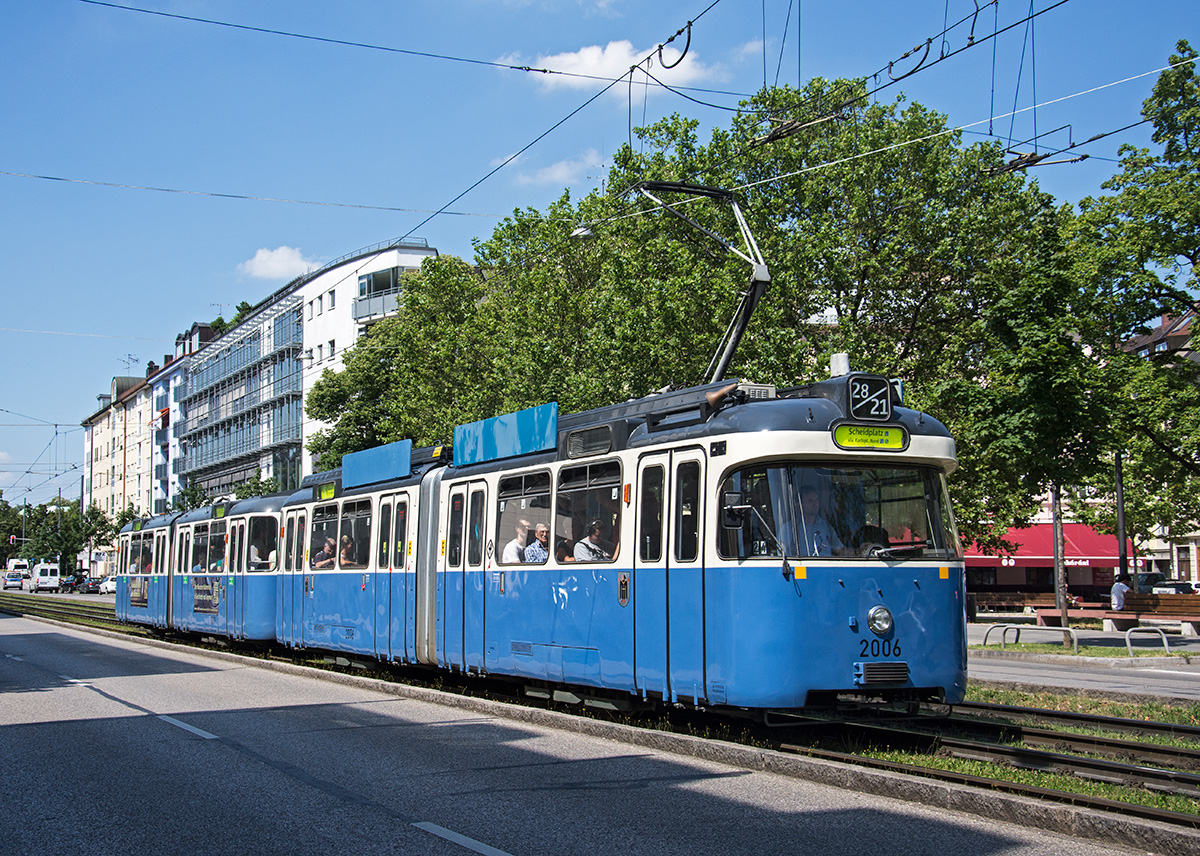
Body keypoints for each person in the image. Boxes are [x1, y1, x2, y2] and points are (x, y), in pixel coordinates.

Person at [798, 485, 843, 557]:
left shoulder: (826, 527)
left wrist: (858, 552)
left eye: (816, 500)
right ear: (800, 504)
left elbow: (840, 549)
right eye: (810, 500)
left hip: (825, 566)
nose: (815, 504)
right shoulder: (790, 529)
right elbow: (782, 553)